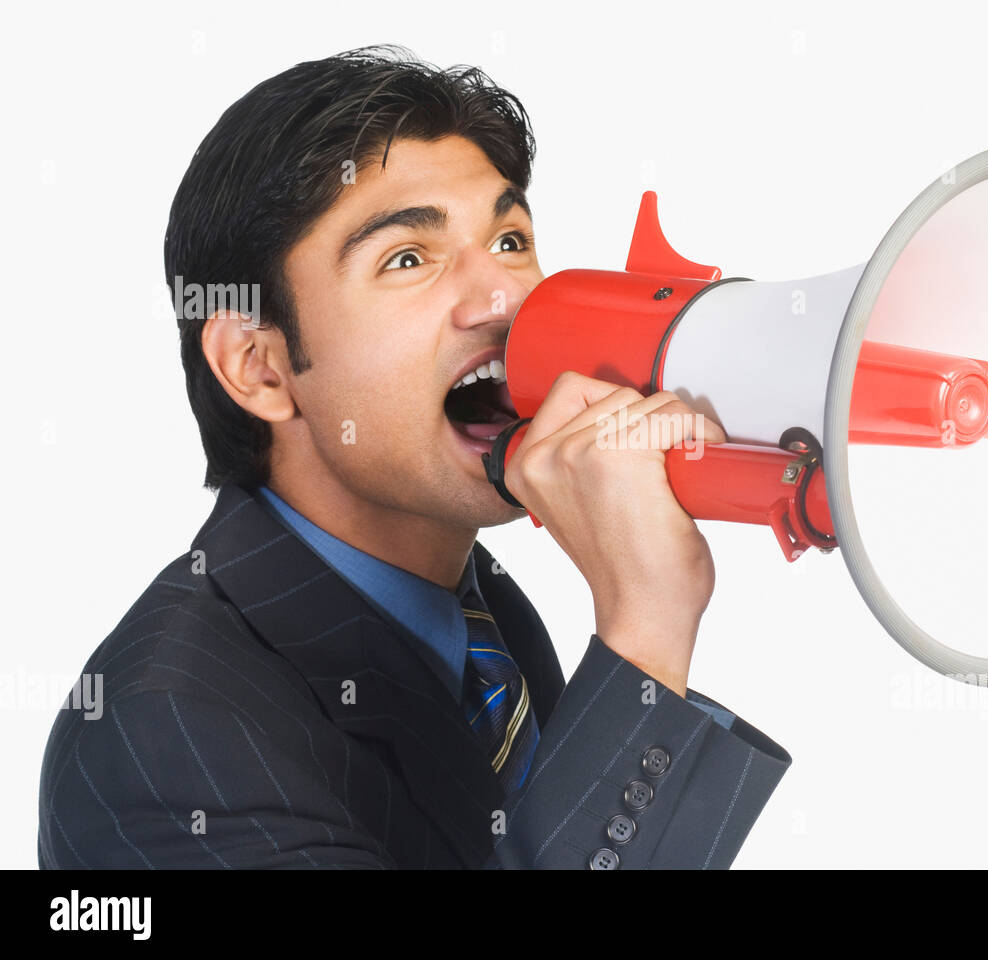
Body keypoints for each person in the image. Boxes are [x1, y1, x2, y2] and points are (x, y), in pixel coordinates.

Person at [36, 45, 790, 869]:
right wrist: (646, 625)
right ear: (260, 367)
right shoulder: (159, 735)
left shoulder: (482, 616)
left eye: (509, 239)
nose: (506, 300)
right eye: (407, 259)